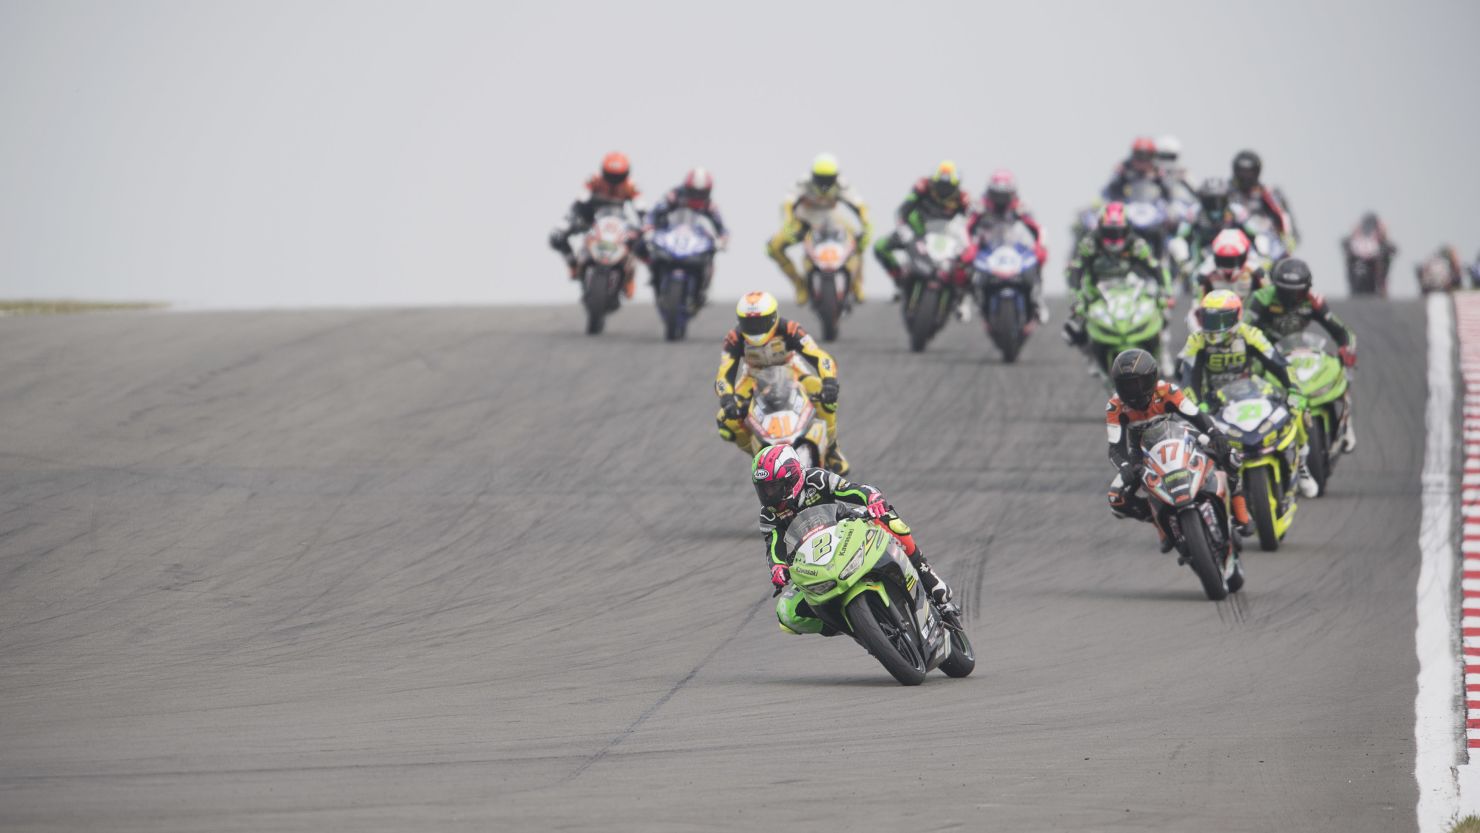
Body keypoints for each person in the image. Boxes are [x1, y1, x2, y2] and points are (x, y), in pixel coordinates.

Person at [752, 444, 959, 637]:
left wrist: (873, 500)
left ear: (792, 479)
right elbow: (774, 547)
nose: (768, 496)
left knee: (888, 520)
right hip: (815, 563)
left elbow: (853, 489)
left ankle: (930, 580)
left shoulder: (816, 479)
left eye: (773, 488)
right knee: (786, 614)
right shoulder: (768, 515)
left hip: (846, 533)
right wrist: (778, 568)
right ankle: (854, 626)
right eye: (763, 489)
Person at [1105, 348, 1251, 549]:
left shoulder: (1167, 391)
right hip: (1141, 452)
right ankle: (1158, 520)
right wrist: (1125, 467)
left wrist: (1215, 434)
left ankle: (1240, 508)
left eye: (1136, 383)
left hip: (1181, 433)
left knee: (1230, 454)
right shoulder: (1115, 406)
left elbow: (1196, 416)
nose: (1132, 391)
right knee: (1116, 499)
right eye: (1126, 385)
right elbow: (1115, 448)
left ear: (1151, 379)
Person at [1179, 290, 1317, 497]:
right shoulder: (1196, 341)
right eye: (1209, 319)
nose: (1214, 327)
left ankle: (1303, 464)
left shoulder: (1250, 335)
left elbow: (1280, 365)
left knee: (1299, 407)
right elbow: (1189, 380)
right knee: (1195, 433)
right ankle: (1211, 484)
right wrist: (1197, 406)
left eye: (1221, 320)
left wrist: (1294, 389)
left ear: (1236, 316)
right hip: (1216, 401)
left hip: (1253, 393)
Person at [715, 291, 848, 473]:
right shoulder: (734, 338)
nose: (755, 328)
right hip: (752, 378)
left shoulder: (790, 328)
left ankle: (832, 449)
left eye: (760, 322)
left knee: (825, 397)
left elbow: (820, 356)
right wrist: (727, 399)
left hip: (792, 370)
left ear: (773, 317)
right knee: (725, 419)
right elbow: (724, 373)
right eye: (749, 323)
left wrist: (830, 382)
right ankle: (763, 458)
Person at [1245, 258, 1358, 452]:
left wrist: (1346, 350)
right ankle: (1261, 433)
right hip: (1267, 355)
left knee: (1341, 371)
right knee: (1252, 376)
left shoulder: (1314, 301)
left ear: (1307, 288)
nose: (1291, 298)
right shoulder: (1260, 298)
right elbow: (1243, 330)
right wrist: (1248, 358)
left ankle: (1347, 425)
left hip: (1299, 350)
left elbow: (1342, 331)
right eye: (1285, 292)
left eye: (1297, 292)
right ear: (1275, 285)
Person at [766, 154, 872, 305]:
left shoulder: (842, 184)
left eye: (828, 180)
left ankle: (856, 284)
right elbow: (787, 204)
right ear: (813, 175)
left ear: (836, 177)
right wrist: (788, 225)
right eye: (820, 179)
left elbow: (860, 205)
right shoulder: (803, 182)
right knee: (773, 247)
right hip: (803, 222)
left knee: (858, 241)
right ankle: (799, 285)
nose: (824, 184)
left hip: (832, 221)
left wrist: (866, 226)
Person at [1062, 202, 1171, 347]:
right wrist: (1076, 297)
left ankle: (1162, 356)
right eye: (1109, 232)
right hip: (1096, 288)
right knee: (1075, 324)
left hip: (1128, 285)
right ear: (1101, 228)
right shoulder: (1090, 244)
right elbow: (1075, 269)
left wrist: (1166, 293)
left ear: (1126, 229)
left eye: (1118, 232)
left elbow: (1156, 267)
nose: (1114, 237)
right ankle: (1090, 356)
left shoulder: (1136, 244)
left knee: (1159, 312)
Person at [548, 152, 644, 295]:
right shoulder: (593, 181)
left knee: (642, 241)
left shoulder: (631, 186)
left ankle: (629, 277)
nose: (614, 181)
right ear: (603, 172)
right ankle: (574, 265)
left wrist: (645, 226)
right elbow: (580, 202)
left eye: (618, 177)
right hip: (592, 220)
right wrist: (575, 218)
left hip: (619, 223)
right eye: (611, 176)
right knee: (556, 236)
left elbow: (642, 208)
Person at [873, 160, 973, 291]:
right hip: (916, 231)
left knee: (969, 260)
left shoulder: (963, 198)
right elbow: (903, 209)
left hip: (944, 238)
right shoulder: (922, 186)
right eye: (940, 185)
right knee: (880, 247)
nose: (943, 190)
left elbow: (972, 221)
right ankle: (898, 278)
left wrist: (966, 240)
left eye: (948, 186)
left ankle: (960, 298)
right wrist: (903, 227)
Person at [969, 169, 1049, 322]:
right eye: (997, 194)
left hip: (1012, 248)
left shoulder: (1021, 207)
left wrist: (1039, 247)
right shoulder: (980, 207)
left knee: (1037, 265)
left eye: (1004, 195)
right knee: (966, 265)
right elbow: (967, 229)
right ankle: (966, 300)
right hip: (988, 248)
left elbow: (1037, 230)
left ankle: (1038, 300)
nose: (1000, 199)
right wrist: (970, 248)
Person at [643, 168, 729, 307]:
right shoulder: (674, 196)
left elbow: (721, 227)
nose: (697, 196)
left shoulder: (709, 205)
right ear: (686, 187)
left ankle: (704, 289)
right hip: (671, 234)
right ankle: (654, 276)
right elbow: (654, 213)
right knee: (644, 245)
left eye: (701, 192)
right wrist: (649, 228)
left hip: (694, 238)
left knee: (710, 252)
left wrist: (723, 240)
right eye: (694, 191)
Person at [1229, 150, 1297, 251]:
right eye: (1241, 171)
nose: (1244, 176)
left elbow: (1284, 219)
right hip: (1231, 244)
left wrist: (1287, 240)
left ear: (1257, 172)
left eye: (1249, 172)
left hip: (1264, 245)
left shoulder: (1269, 194)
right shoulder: (1225, 193)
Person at [1195, 229, 1267, 301]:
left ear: (1244, 256)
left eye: (1232, 260)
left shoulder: (1255, 267)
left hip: (1248, 308)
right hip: (1219, 309)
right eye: (1224, 260)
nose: (1228, 266)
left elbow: (1266, 292)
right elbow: (1198, 302)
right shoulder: (1206, 271)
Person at [1340, 212, 1396, 294]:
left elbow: (1393, 249)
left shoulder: (1381, 242)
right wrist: (1354, 235)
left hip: (1374, 280)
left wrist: (1383, 237)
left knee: (1383, 261)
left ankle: (1382, 286)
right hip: (1356, 282)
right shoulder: (1353, 241)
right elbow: (1344, 244)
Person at [1102, 137, 1172, 201]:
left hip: (1154, 208)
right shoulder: (1123, 169)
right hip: (1128, 206)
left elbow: (1168, 193)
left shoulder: (1159, 172)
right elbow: (1109, 191)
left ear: (1152, 157)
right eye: (1139, 156)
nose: (1142, 160)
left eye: (1146, 157)